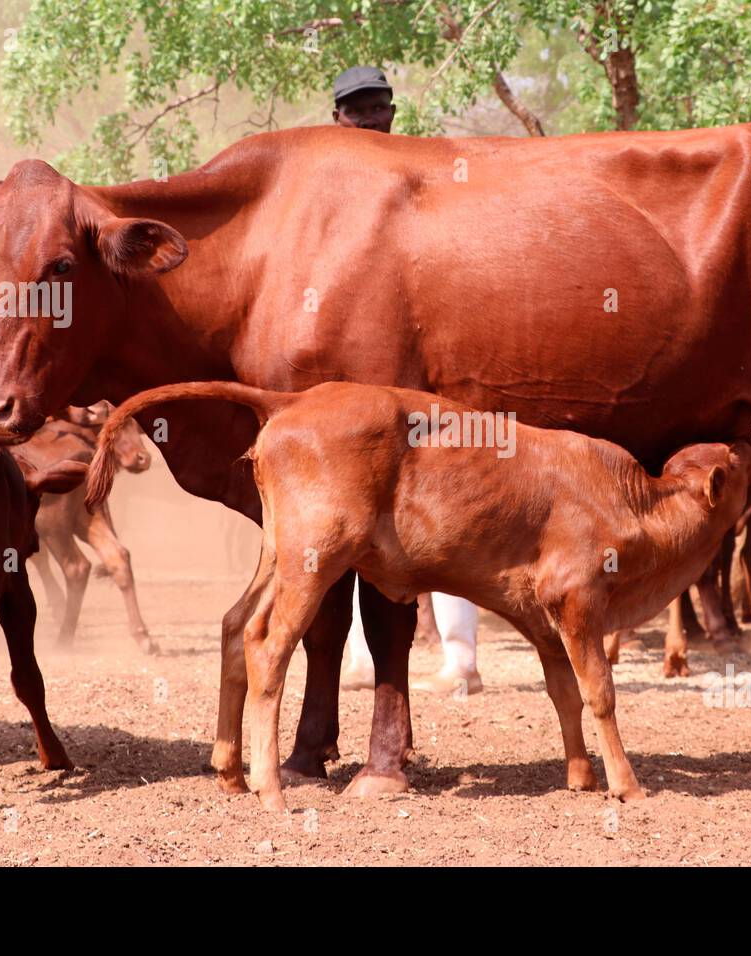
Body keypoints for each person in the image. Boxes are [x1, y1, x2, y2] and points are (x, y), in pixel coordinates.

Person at [330, 66, 484, 695]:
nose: (369, 118)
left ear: (393, 111)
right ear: (335, 117)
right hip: (354, 372)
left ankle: (461, 659)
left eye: (378, 107)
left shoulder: (425, 175)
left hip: (431, 367)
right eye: (356, 110)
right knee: (358, 510)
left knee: (445, 506)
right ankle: (364, 662)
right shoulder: (325, 181)